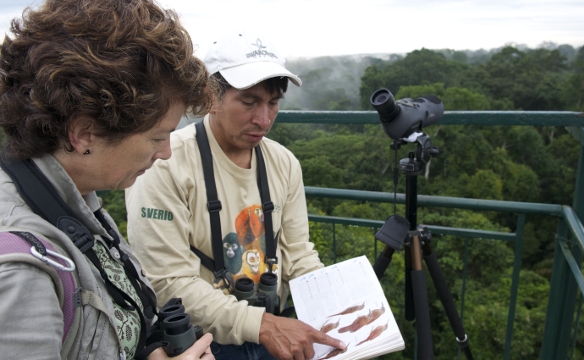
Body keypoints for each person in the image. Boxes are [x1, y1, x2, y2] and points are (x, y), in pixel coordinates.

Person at [0, 0, 216, 359]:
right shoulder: (20, 274)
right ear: (85, 134)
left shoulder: (71, 199)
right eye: (156, 137)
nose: (166, 153)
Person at [125, 30, 346, 360]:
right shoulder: (167, 163)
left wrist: (335, 313)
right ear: (210, 96)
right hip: (201, 341)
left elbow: (297, 253)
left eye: (273, 104)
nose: (263, 119)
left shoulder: (283, 163)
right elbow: (167, 282)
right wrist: (262, 325)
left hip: (274, 324)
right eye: (249, 102)